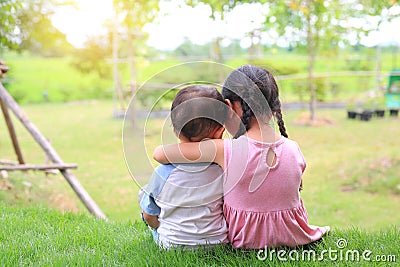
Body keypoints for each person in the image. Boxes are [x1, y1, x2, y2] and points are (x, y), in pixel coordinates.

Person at [153, 65, 330, 249]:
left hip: (246, 241)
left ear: (229, 106)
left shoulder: (225, 149)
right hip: (293, 236)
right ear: (274, 107)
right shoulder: (293, 148)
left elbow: (160, 154)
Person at [139, 85, 229, 249]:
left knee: (145, 196)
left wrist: (158, 228)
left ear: (175, 131)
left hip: (173, 245)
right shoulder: (223, 169)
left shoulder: (163, 173)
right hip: (218, 243)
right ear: (220, 131)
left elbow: (149, 216)